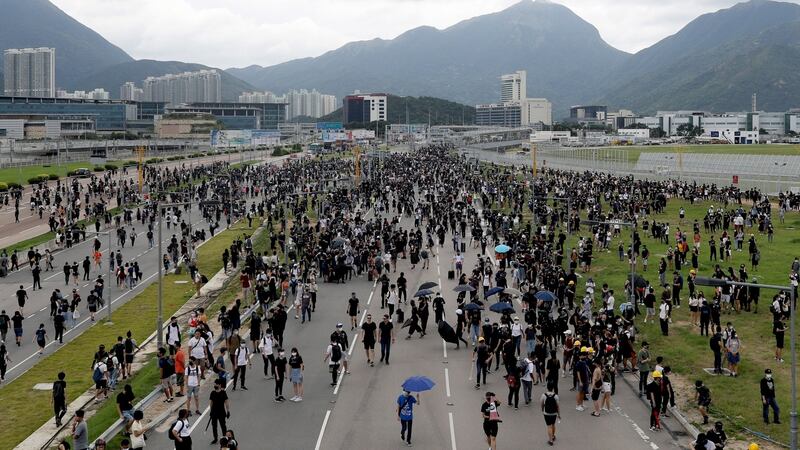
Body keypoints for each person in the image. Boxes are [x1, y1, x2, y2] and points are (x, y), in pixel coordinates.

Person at [209, 379, 230, 445]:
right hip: (214, 412)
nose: (215, 385)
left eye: (216, 384)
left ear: (220, 385)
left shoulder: (223, 392)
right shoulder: (212, 393)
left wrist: (228, 411)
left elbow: (226, 402)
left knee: (223, 426)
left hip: (221, 412)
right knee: (214, 426)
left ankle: (225, 437)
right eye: (214, 384)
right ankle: (215, 438)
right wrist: (211, 411)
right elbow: (211, 402)